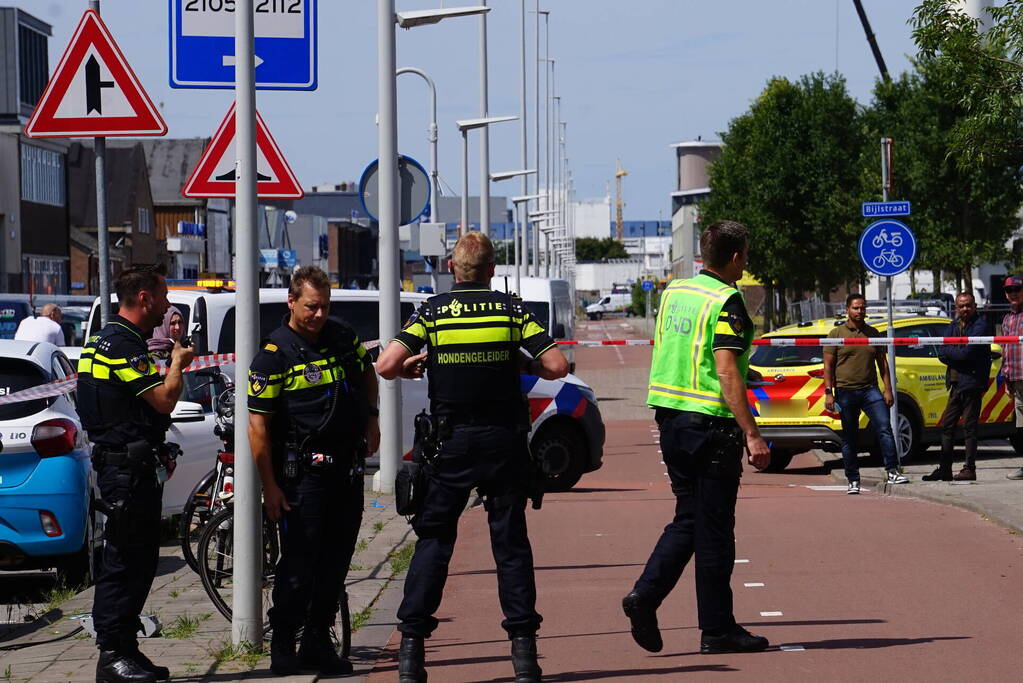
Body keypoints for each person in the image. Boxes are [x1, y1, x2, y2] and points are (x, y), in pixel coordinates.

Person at [376, 231, 568, 683]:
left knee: (435, 541)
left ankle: (411, 655)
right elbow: (556, 366)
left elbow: (385, 366)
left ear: (451, 270)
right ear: (492, 271)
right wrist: (520, 364)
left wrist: (411, 364)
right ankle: (524, 659)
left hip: (449, 446)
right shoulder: (511, 310)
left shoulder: (433, 312)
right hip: (503, 444)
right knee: (510, 546)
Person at [621, 220, 770, 657]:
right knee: (716, 533)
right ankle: (716, 629)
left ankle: (646, 596)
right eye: (746, 254)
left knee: (690, 519)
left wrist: (747, 374)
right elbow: (723, 368)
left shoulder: (675, 292)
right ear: (737, 257)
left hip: (671, 419)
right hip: (711, 424)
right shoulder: (729, 301)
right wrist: (753, 434)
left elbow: (686, 351)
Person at [247, 265, 379, 676]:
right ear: (291, 302)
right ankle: (283, 644)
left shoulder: (341, 335)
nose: (319, 315)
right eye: (311, 307)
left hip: (346, 470)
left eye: (324, 306)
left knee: (335, 563)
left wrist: (372, 418)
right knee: (299, 567)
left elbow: (367, 371)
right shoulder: (272, 357)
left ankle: (318, 642)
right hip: (302, 477)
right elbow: (258, 428)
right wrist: (269, 488)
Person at [77, 264, 194, 683]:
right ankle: (111, 656)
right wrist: (178, 362)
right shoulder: (120, 345)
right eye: (162, 298)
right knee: (124, 561)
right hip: (125, 471)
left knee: (141, 561)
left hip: (130, 466)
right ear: (144, 298)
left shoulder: (108, 341)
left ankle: (127, 647)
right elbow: (163, 400)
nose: (166, 307)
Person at [823, 293, 911, 493]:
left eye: (862, 308)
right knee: (850, 437)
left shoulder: (873, 333)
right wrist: (829, 392)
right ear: (847, 309)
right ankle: (853, 479)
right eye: (856, 308)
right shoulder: (836, 334)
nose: (860, 311)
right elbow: (828, 366)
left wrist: (888, 389)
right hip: (846, 391)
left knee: (884, 428)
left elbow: (882, 363)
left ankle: (892, 470)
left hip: (870, 390)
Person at [923, 293, 992, 482]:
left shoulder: (981, 325)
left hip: (972, 382)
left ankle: (969, 468)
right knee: (947, 426)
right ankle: (945, 469)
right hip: (955, 382)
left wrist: (955, 352)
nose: (965, 309)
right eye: (961, 306)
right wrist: (957, 352)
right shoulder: (953, 326)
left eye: (968, 305)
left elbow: (967, 354)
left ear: (975, 306)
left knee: (969, 428)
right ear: (956, 307)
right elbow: (942, 352)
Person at [1000, 275, 1023, 480]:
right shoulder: (1008, 319)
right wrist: (1005, 377)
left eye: (1017, 289)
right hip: (1016, 379)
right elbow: (1005, 349)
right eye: (1009, 291)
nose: (1013, 293)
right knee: (1022, 427)